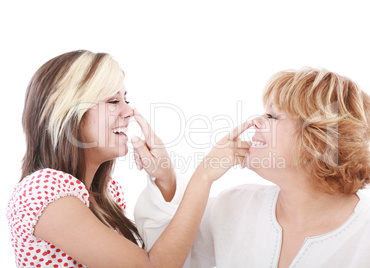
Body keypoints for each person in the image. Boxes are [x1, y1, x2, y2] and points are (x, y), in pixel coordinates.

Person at [6, 50, 252, 268]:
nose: (129, 112)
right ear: (70, 113)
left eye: (126, 99)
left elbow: (164, 250)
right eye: (113, 101)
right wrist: (205, 175)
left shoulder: (107, 194)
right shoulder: (42, 190)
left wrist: (165, 176)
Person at [138, 67, 370, 267]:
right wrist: (174, 175)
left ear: (316, 141)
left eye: (272, 116)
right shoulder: (234, 205)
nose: (255, 121)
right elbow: (167, 256)